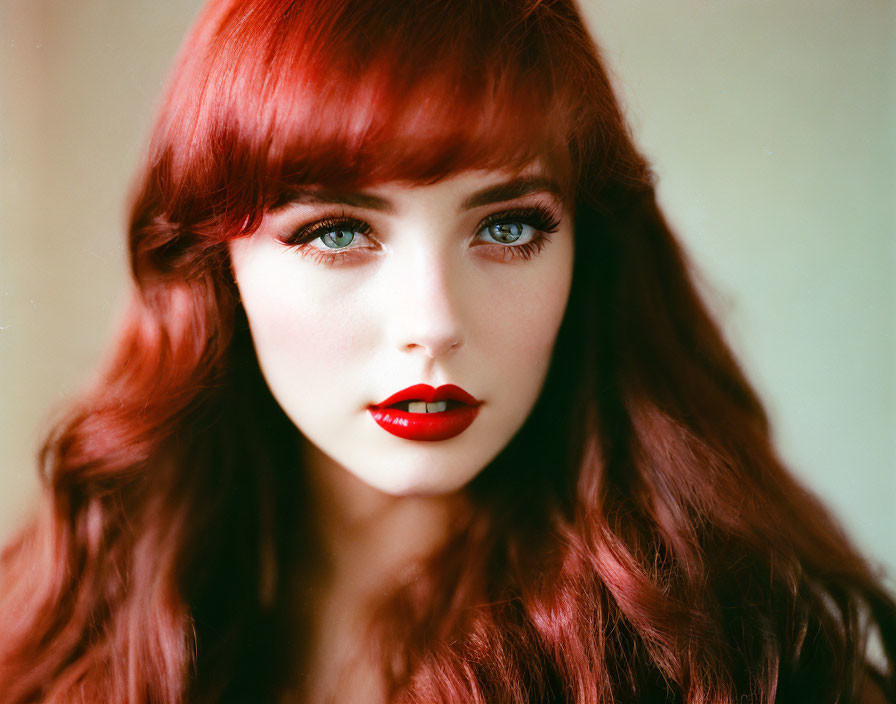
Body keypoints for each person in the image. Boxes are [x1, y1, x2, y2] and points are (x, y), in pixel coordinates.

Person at [0, 0, 893, 701]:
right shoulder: (50, 636)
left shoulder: (746, 662)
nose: (434, 321)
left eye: (507, 226)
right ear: (216, 265)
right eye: (338, 230)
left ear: (587, 247)